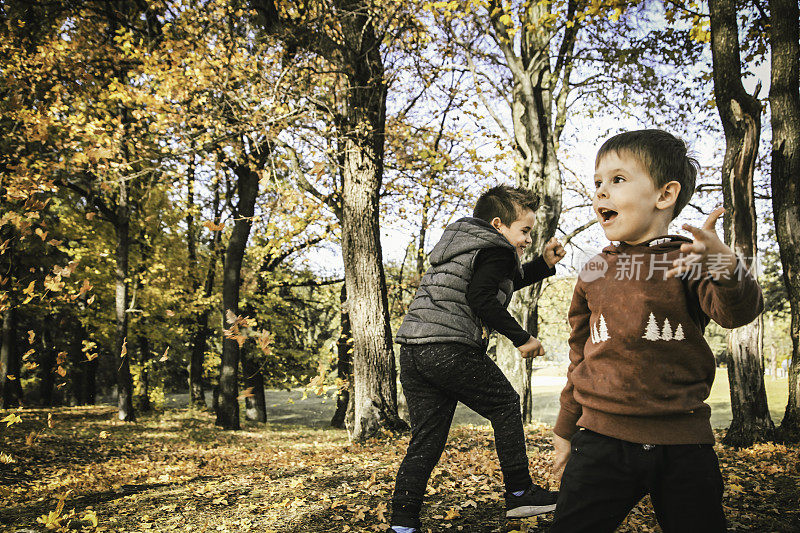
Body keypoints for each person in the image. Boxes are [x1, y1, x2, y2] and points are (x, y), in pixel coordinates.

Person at [551, 129, 764, 533]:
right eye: (597, 183)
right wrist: (565, 428)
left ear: (664, 195)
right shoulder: (594, 269)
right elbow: (579, 354)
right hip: (600, 441)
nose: (600, 192)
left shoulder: (689, 260)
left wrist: (725, 264)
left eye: (617, 180)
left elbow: (739, 312)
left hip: (683, 445)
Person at [389, 185, 566, 533]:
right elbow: (483, 299)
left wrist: (543, 265)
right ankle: (519, 491)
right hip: (448, 346)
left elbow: (498, 282)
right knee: (504, 403)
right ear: (499, 225)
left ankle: (402, 524)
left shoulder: (461, 246)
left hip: (413, 350)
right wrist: (522, 338)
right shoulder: (497, 250)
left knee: (427, 438)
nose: (528, 238)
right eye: (525, 230)